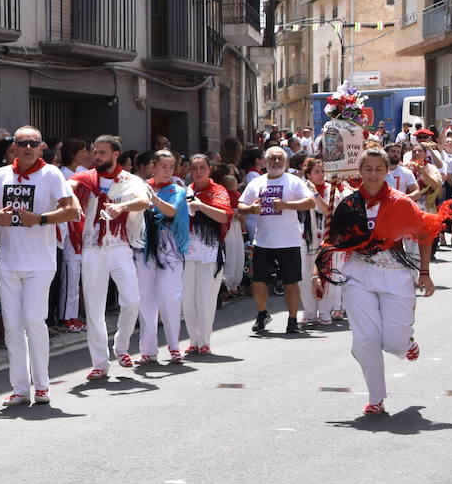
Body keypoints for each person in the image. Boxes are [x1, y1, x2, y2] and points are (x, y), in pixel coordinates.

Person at [314, 148, 448, 416]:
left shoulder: (401, 203)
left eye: (378, 169)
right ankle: (376, 397)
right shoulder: (349, 204)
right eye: (368, 169)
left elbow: (425, 233)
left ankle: (407, 343)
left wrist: (424, 272)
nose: (373, 174)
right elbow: (332, 240)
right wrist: (319, 273)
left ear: (387, 172)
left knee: (394, 343)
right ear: (360, 171)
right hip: (358, 275)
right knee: (365, 340)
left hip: (394, 274)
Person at [0, 126, 78, 404]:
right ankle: (20, 388)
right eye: (23, 143)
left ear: (42, 146)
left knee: (34, 321)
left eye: (34, 143)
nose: (29, 147)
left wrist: (40, 219)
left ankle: (42, 385)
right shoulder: (0, 175)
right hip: (7, 262)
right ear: (14, 147)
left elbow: (71, 210)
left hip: (41, 262)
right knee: (12, 326)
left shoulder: (52, 174)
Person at [68, 136, 150, 379]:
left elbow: (144, 200)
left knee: (132, 300)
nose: (97, 157)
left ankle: (121, 346)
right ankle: (100, 363)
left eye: (102, 153)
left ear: (116, 155)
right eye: (95, 152)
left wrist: (121, 208)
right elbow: (69, 186)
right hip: (92, 247)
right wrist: (72, 196)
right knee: (94, 309)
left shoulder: (129, 179)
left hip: (120, 246)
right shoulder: (88, 178)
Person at [237, 146, 316, 334]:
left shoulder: (294, 181)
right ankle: (262, 313)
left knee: (291, 282)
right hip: (263, 241)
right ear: (265, 161)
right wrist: (250, 209)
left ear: (286, 162)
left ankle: (292, 319)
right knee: (258, 281)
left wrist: (286, 205)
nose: (276, 162)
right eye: (272, 159)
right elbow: (241, 205)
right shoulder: (257, 183)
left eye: (280, 159)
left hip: (289, 241)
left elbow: (310, 201)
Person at [134, 151, 189, 364]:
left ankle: (174, 345)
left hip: (170, 251)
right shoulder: (139, 186)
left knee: (169, 297)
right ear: (153, 167)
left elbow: (172, 212)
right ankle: (148, 350)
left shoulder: (177, 190)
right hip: (143, 248)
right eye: (163, 166)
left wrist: (153, 198)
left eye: (171, 167)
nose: (168, 171)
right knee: (145, 299)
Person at [182, 156, 234, 353]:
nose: (198, 172)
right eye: (194, 168)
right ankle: (193, 340)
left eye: (202, 167)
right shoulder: (185, 191)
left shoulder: (218, 191)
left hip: (209, 251)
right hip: (187, 251)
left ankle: (204, 341)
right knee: (188, 298)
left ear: (209, 169)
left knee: (206, 298)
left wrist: (201, 206)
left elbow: (224, 216)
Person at [297, 158, 340, 327]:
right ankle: (309, 311)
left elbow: (329, 212)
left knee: (327, 273)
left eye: (323, 171)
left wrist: (315, 194)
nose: (321, 175)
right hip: (307, 238)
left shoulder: (331, 189)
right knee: (305, 274)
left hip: (326, 238)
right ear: (308, 174)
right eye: (317, 171)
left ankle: (324, 311)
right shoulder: (300, 189)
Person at [58, 138, 89, 333]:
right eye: (83, 150)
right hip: (68, 229)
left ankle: (73, 315)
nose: (87, 154)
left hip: (81, 228)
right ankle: (65, 316)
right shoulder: (63, 174)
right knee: (69, 274)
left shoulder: (79, 173)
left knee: (76, 274)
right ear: (73, 153)